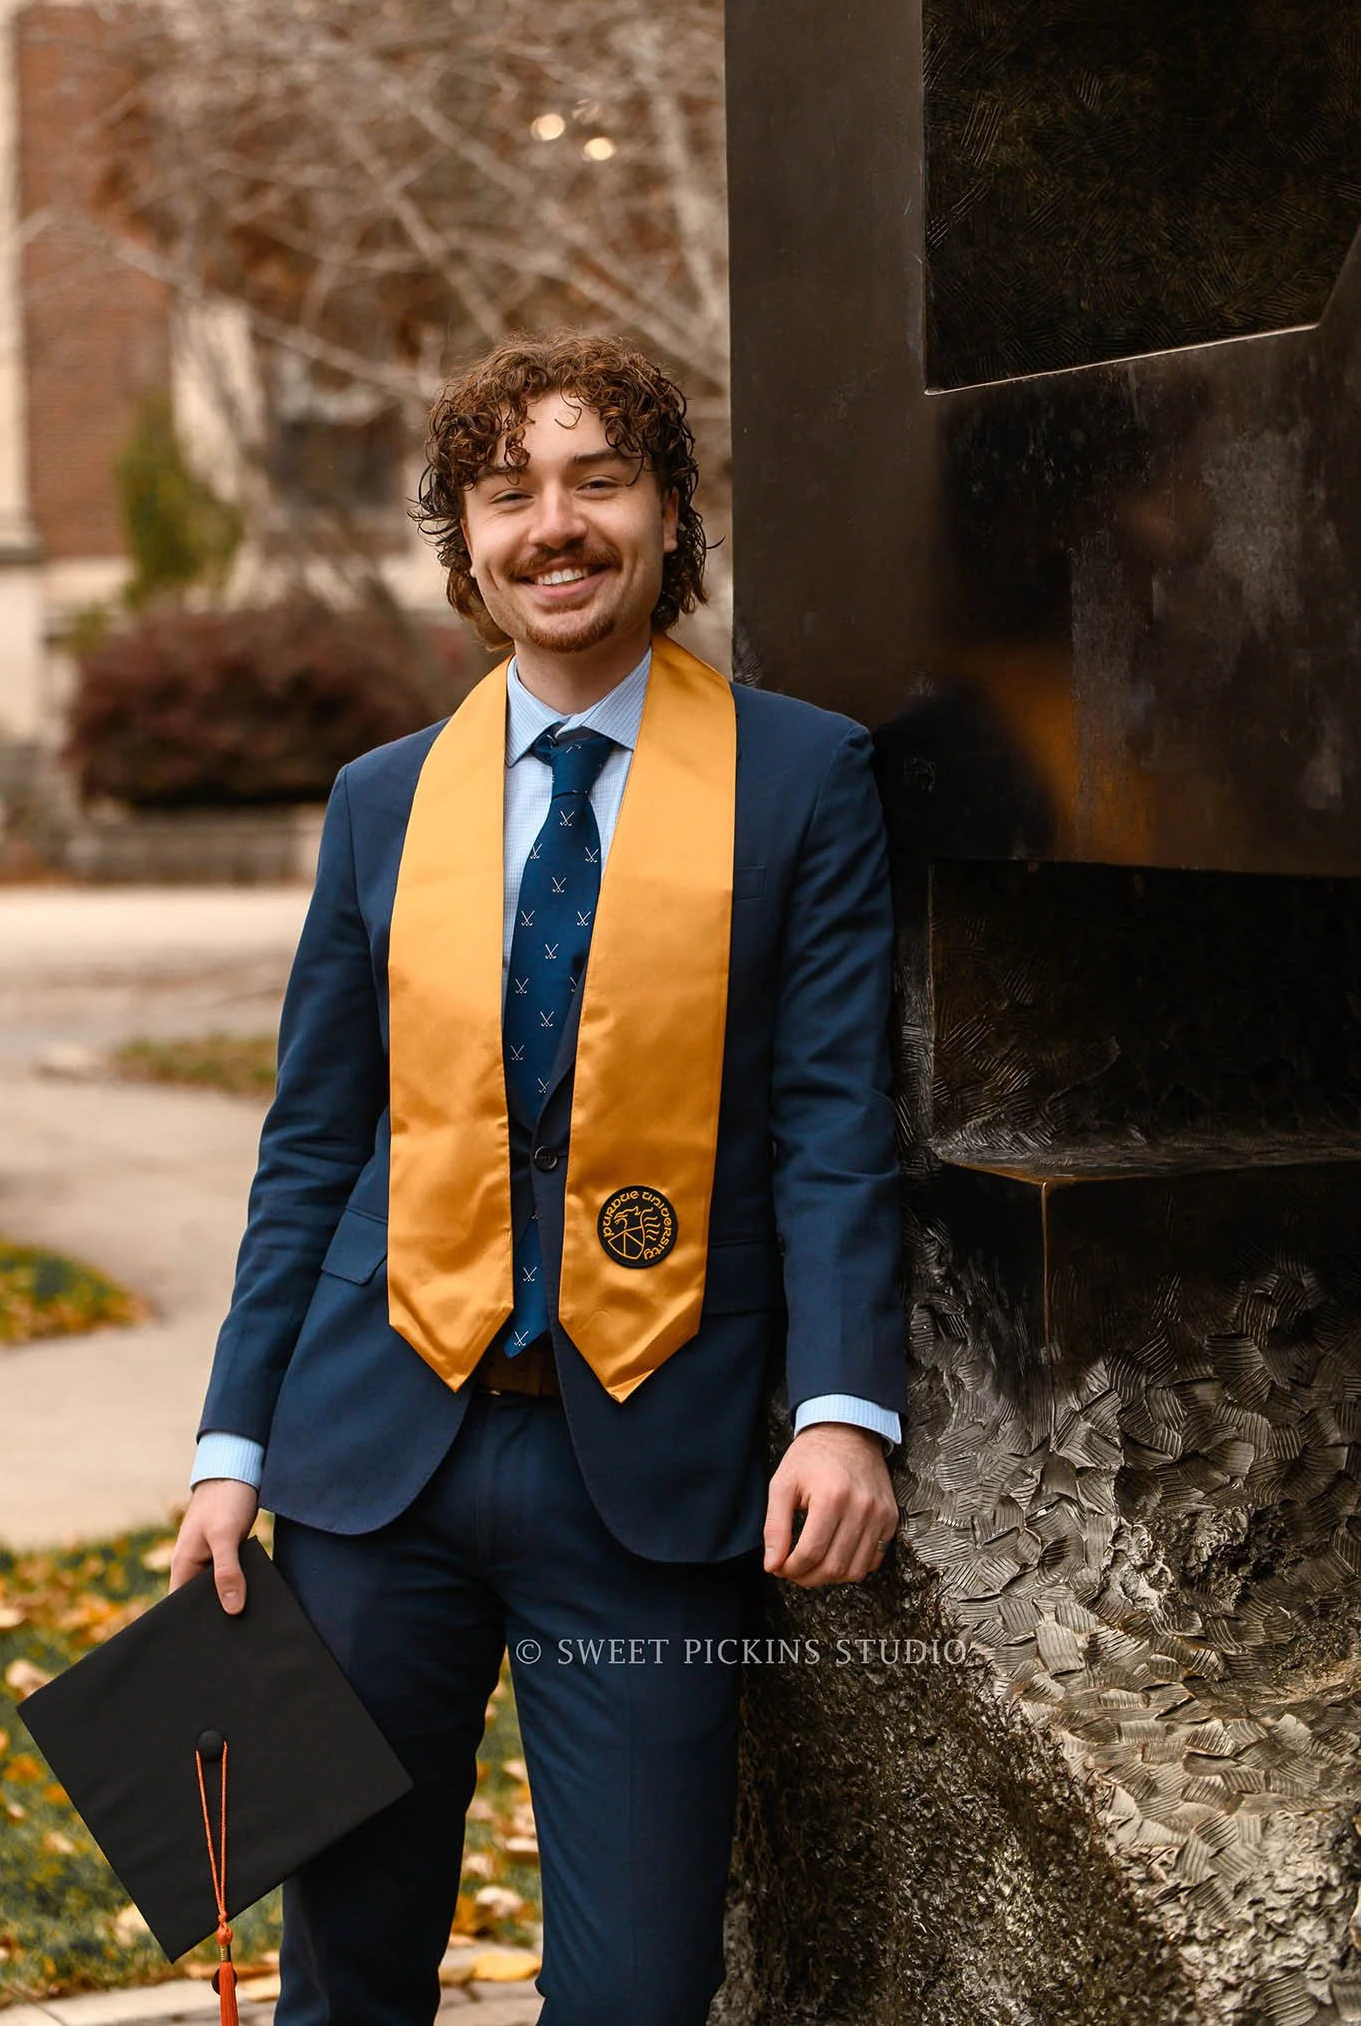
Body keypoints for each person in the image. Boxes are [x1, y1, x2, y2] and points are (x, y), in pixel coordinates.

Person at [172, 334, 906, 2026]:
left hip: (644, 1466)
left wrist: (843, 1409)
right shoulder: (381, 802)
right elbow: (312, 1143)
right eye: (507, 494)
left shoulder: (802, 779)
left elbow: (828, 1117)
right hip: (372, 1468)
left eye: (598, 481)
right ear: (468, 542)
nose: (552, 525)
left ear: (669, 516)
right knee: (346, 1977)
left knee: (638, 1990)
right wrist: (229, 1448)